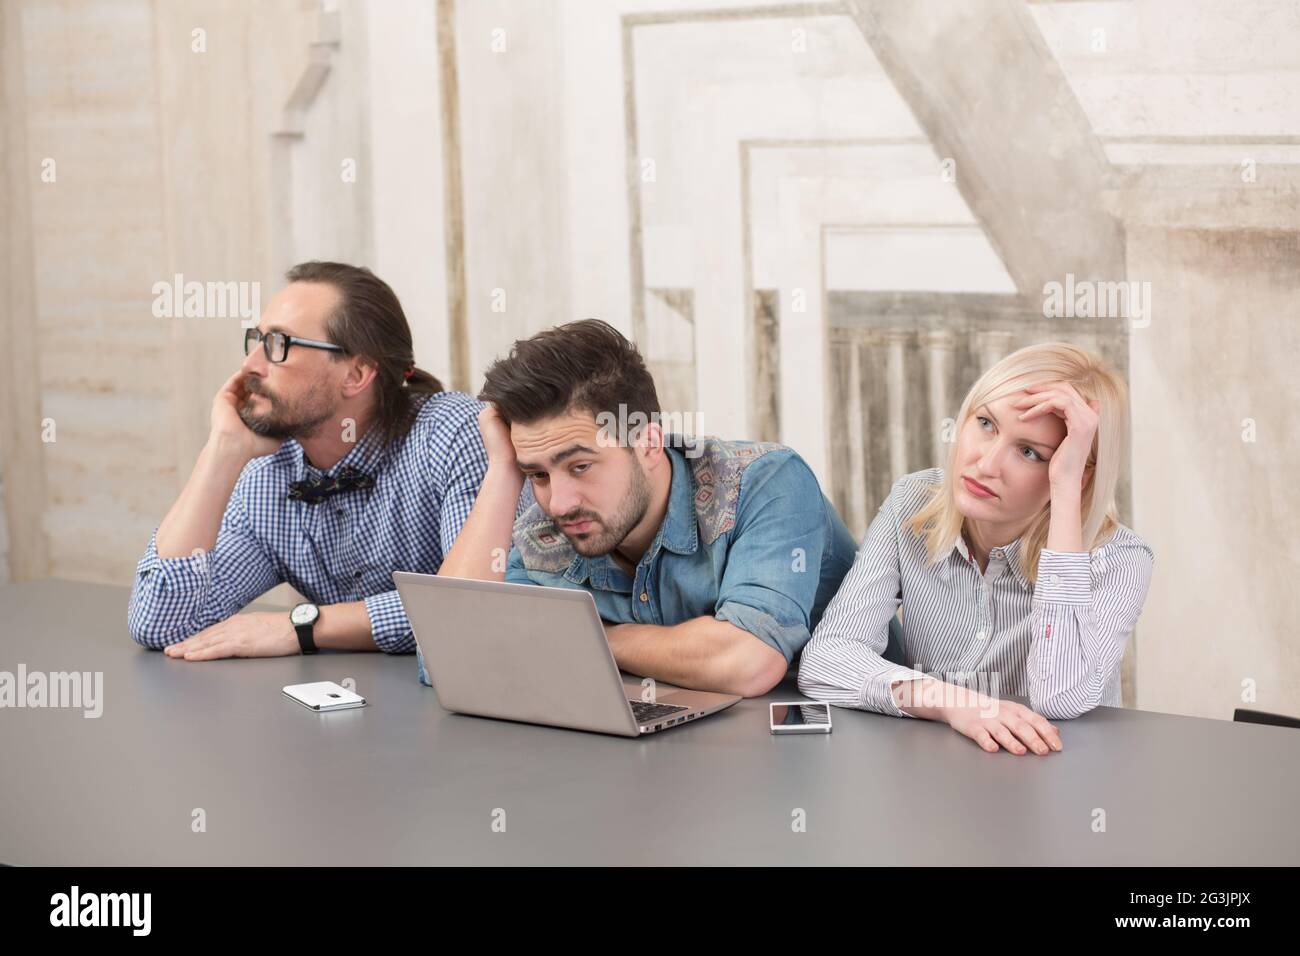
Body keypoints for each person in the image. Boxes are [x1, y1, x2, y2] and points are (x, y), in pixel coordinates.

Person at [438, 319, 856, 698]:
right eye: (539, 475)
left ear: (649, 444)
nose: (559, 503)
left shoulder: (765, 482)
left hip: (832, 753)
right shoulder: (543, 533)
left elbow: (747, 662)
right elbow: (451, 655)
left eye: (580, 466)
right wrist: (503, 471)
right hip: (658, 760)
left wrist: (586, 637)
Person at [127, 261, 498, 679]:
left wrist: (303, 626)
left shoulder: (454, 434)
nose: (250, 365)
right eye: (257, 340)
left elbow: (472, 606)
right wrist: (222, 451)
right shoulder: (268, 477)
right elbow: (160, 622)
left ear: (356, 374)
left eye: (279, 344)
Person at [798, 342, 1154, 754]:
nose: (986, 464)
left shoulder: (1121, 560)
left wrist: (1066, 490)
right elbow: (826, 659)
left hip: (1060, 785)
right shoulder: (913, 502)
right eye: (986, 423)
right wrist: (952, 702)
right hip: (944, 776)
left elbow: (1059, 697)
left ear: (1079, 473)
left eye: (1028, 452)